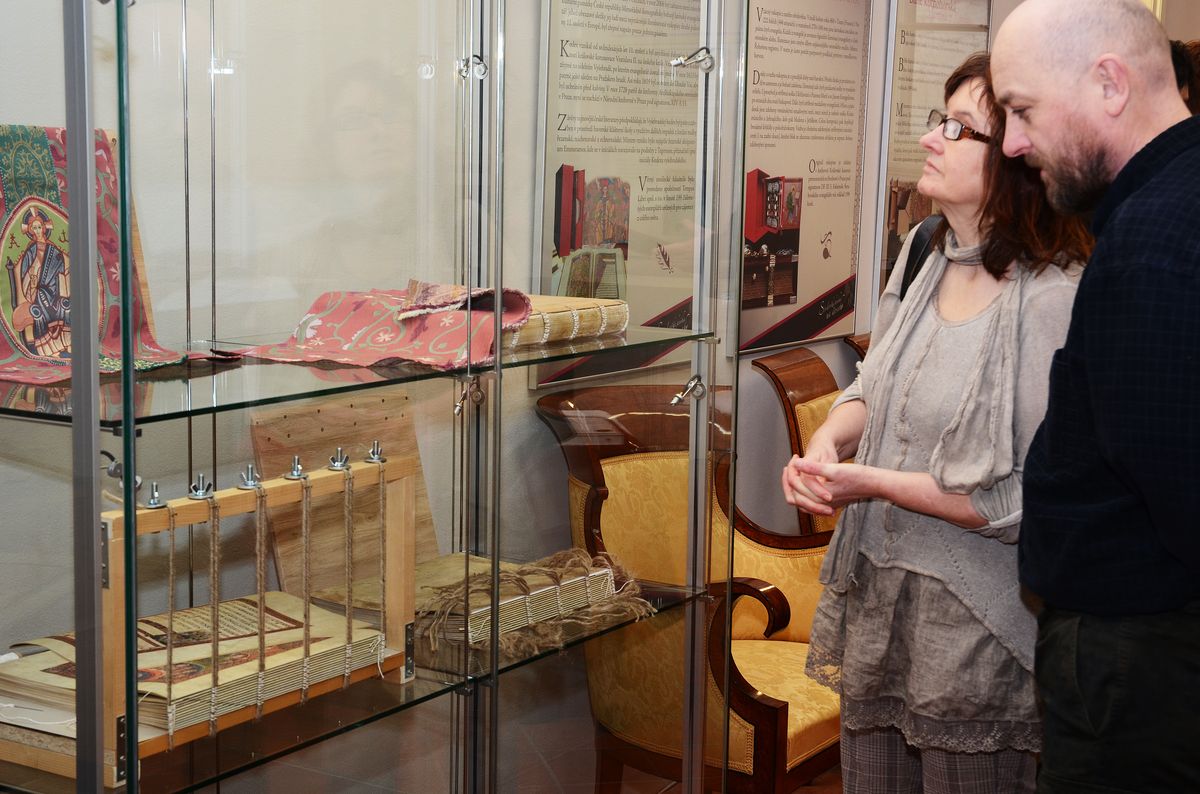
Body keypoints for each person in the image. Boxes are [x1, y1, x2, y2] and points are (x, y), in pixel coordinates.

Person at [781, 52, 1091, 793]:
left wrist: (873, 484)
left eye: (958, 128)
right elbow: (876, 383)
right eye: (936, 120)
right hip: (881, 606)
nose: (930, 138)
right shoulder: (925, 250)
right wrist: (827, 441)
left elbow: (1021, 500)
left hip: (977, 634)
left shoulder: (1054, 296)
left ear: (1018, 157)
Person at [991, 1, 1200, 792]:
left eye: (1022, 110)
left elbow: (1180, 489)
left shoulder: (1151, 246)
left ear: (1110, 84)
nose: (1013, 144)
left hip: (1139, 669)